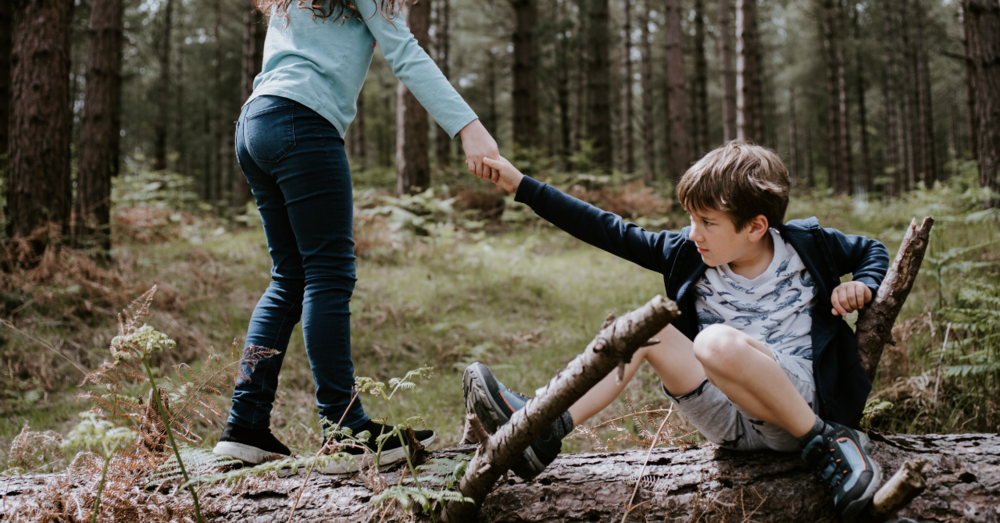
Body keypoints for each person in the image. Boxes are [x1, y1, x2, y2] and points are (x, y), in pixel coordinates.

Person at [462, 141, 889, 518]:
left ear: (756, 227)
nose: (693, 233)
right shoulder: (687, 253)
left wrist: (861, 284)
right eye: (691, 218)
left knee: (714, 342)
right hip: (728, 420)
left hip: (795, 406)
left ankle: (829, 442)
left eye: (707, 222)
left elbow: (873, 250)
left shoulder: (807, 245)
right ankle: (542, 428)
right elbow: (605, 229)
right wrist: (522, 185)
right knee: (647, 329)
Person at [212, 0, 500, 474]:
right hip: (301, 123)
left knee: (289, 277)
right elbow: (404, 52)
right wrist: (469, 127)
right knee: (327, 274)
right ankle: (344, 430)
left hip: (255, 122)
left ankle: (244, 427)